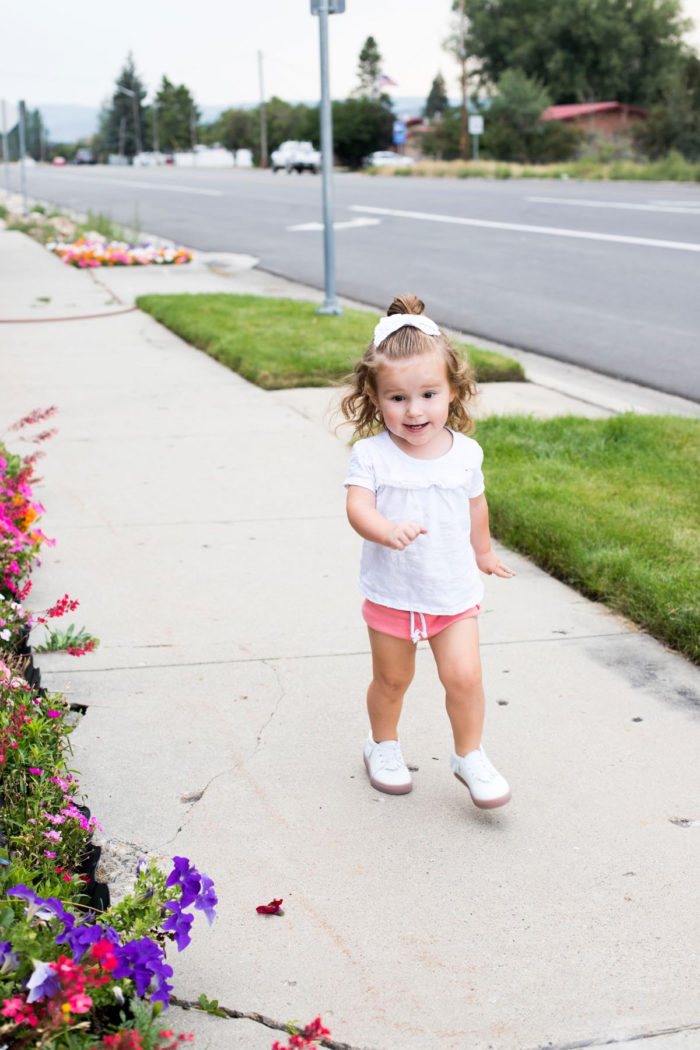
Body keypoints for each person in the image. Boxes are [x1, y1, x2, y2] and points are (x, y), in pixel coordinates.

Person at [341, 294, 515, 809]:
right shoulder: (371, 455)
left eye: (428, 394)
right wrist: (383, 529)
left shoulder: (466, 452)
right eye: (397, 398)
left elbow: (475, 504)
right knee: (392, 679)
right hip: (394, 592)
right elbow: (357, 507)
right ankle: (382, 746)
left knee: (464, 676)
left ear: (453, 391)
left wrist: (482, 552)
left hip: (452, 589)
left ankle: (469, 755)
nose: (414, 410)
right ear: (373, 397)